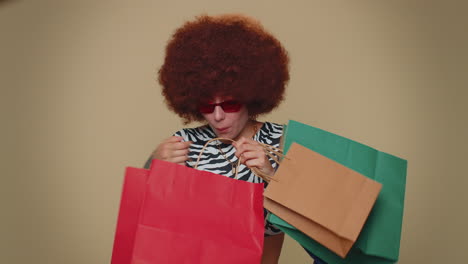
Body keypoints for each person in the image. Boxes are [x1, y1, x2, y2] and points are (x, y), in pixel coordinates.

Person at [144, 14, 290, 264]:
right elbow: (147, 216)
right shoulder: (184, 143)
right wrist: (153, 167)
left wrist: (271, 173)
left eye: (230, 104)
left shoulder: (280, 141)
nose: (218, 117)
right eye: (207, 106)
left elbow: (314, 218)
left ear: (251, 95)